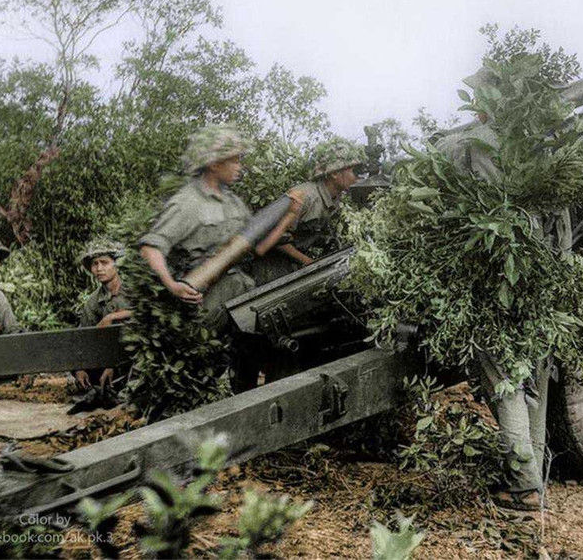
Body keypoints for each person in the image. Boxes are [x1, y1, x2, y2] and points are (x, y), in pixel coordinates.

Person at [437, 115, 558, 513]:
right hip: (544, 287)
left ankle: (523, 490)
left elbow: (485, 211)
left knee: (506, 385)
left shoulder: (476, 144)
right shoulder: (543, 150)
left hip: (500, 284)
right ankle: (533, 479)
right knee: (535, 388)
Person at [138, 124, 259, 392]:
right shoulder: (187, 203)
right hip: (206, 303)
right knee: (197, 374)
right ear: (214, 164)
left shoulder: (233, 202)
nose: (240, 166)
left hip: (240, 294)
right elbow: (151, 246)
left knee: (249, 356)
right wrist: (172, 284)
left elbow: (252, 240)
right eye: (235, 159)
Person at [254, 137, 366, 285]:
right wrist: (307, 261)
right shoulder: (305, 196)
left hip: (292, 263)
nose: (358, 178)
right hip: (271, 264)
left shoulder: (335, 199)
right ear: (334, 174)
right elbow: (272, 234)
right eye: (354, 171)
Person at [74, 238, 133, 391]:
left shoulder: (133, 289)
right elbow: (84, 337)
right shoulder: (94, 301)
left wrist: (112, 317)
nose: (99, 268)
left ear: (117, 265)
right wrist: (80, 368)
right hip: (106, 355)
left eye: (104, 262)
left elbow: (145, 311)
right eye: (95, 264)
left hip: (132, 353)